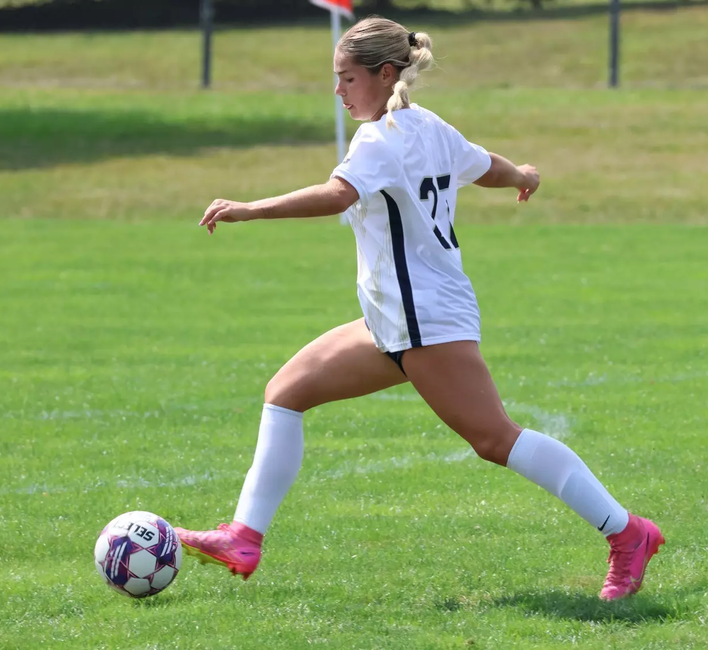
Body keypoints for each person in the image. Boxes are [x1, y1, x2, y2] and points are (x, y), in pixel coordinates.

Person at [174, 16, 663, 600]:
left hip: (424, 319)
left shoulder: (380, 139)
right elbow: (488, 166)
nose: (338, 91)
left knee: (495, 439)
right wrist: (523, 175)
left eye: (347, 78)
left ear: (384, 74)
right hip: (395, 319)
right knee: (285, 392)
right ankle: (243, 537)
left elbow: (338, 196)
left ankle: (628, 532)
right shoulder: (428, 127)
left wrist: (251, 209)